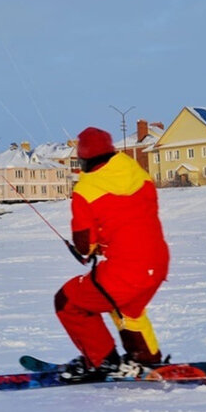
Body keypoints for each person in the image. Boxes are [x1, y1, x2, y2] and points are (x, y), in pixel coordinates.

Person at [55, 126, 170, 382]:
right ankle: (146, 358)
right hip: (157, 263)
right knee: (129, 309)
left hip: (126, 270)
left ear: (84, 159)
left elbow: (85, 244)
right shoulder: (138, 174)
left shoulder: (86, 190)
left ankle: (102, 362)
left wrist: (87, 249)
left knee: (68, 302)